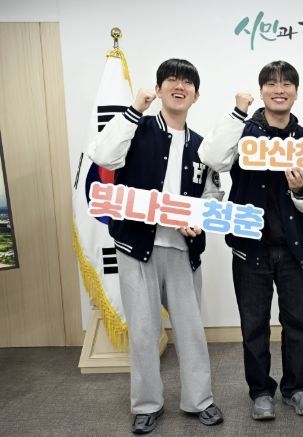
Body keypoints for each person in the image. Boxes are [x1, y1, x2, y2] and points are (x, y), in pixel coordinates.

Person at [87, 59, 224, 434]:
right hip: (136, 246)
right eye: (171, 80)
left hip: (183, 249)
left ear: (196, 94)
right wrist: (135, 109)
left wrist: (201, 218)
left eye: (187, 82)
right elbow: (103, 156)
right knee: (144, 331)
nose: (179, 86)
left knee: (191, 331)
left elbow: (212, 194)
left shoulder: (203, 146)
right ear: (159, 88)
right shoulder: (137, 127)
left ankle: (200, 400)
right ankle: (146, 405)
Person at [198, 60, 303, 421]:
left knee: (298, 324)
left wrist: (300, 190)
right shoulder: (243, 132)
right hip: (250, 248)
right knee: (254, 326)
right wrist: (237, 113)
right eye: (271, 84)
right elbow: (211, 157)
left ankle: (295, 388)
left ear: (296, 92)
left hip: (293, 248)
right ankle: (260, 391)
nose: (279, 90)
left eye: (287, 84)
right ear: (261, 91)